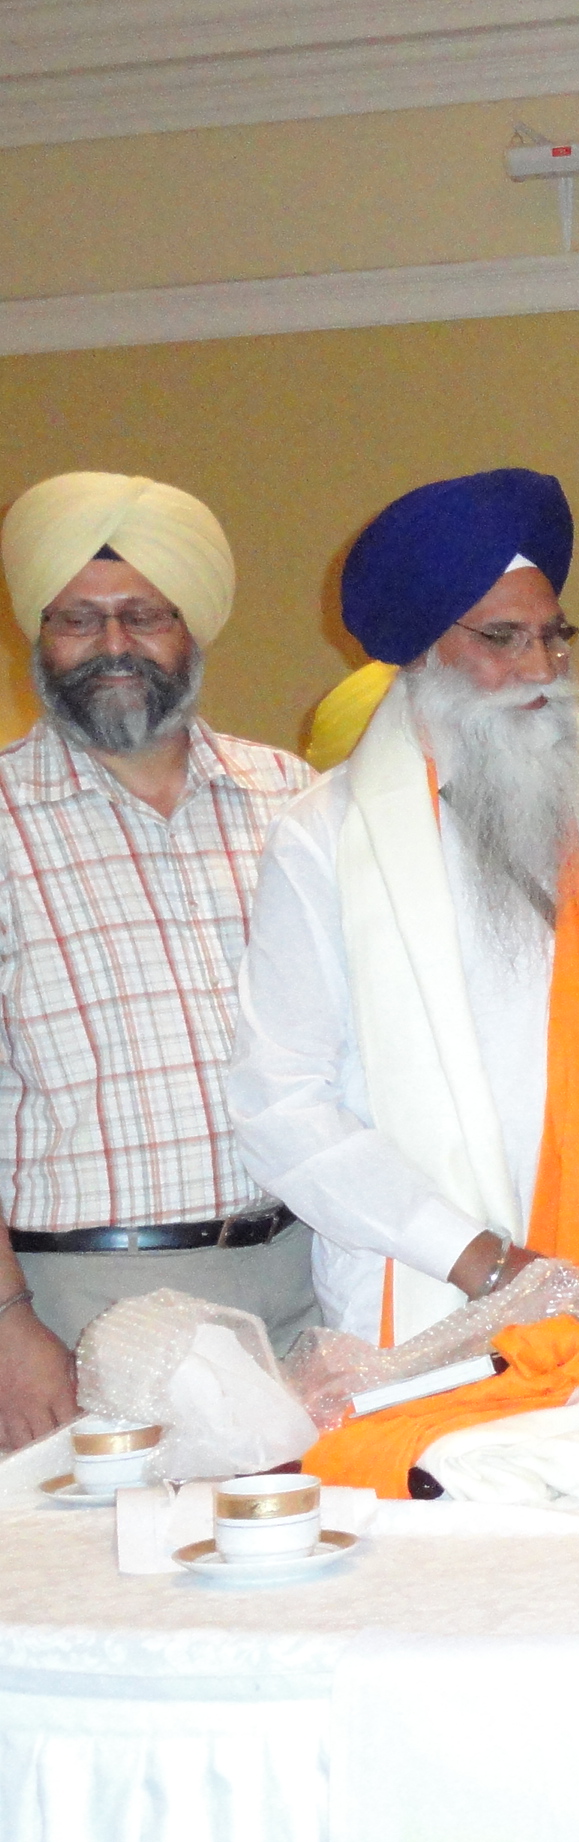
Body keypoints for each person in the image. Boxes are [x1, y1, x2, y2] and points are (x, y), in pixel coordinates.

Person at [229, 469, 579, 1353]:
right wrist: (483, 1262)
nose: (541, 670)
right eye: (501, 639)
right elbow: (280, 1105)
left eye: (554, 636)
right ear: (422, 653)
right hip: (430, 1294)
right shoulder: (326, 837)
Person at [0, 473, 319, 1448]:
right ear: (36, 635)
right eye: (77, 620)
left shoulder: (293, 799)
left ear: (194, 627)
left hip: (312, 1285)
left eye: (144, 615)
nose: (113, 646)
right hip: (82, 1313)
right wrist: (7, 1328)